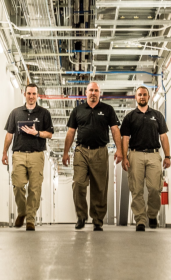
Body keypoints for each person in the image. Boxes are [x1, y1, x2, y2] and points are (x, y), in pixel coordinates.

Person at [62, 82, 122, 231]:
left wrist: (119, 150)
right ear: (86, 93)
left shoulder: (107, 110)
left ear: (99, 93)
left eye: (96, 90)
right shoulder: (78, 110)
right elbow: (71, 132)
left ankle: (97, 220)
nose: (93, 93)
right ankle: (81, 216)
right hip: (81, 151)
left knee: (99, 188)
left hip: (100, 151)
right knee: (78, 183)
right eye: (91, 90)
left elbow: (115, 130)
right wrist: (65, 152)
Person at [2, 83, 54, 231]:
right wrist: (4, 152)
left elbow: (49, 134)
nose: (31, 96)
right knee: (18, 185)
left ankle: (30, 219)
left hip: (37, 155)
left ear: (37, 95)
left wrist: (36, 133)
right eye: (29, 93)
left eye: (34, 94)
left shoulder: (44, 113)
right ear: (24, 94)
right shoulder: (15, 113)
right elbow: (9, 134)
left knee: (34, 188)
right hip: (18, 154)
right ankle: (22, 211)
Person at [120, 86, 171, 232]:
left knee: (155, 188)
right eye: (139, 95)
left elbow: (163, 137)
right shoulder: (129, 117)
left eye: (144, 95)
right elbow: (125, 138)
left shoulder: (157, 115)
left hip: (154, 155)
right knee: (136, 189)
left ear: (148, 97)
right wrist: (125, 157)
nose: (142, 97)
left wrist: (167, 156)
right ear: (135, 98)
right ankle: (140, 220)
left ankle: (152, 214)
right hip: (135, 154)